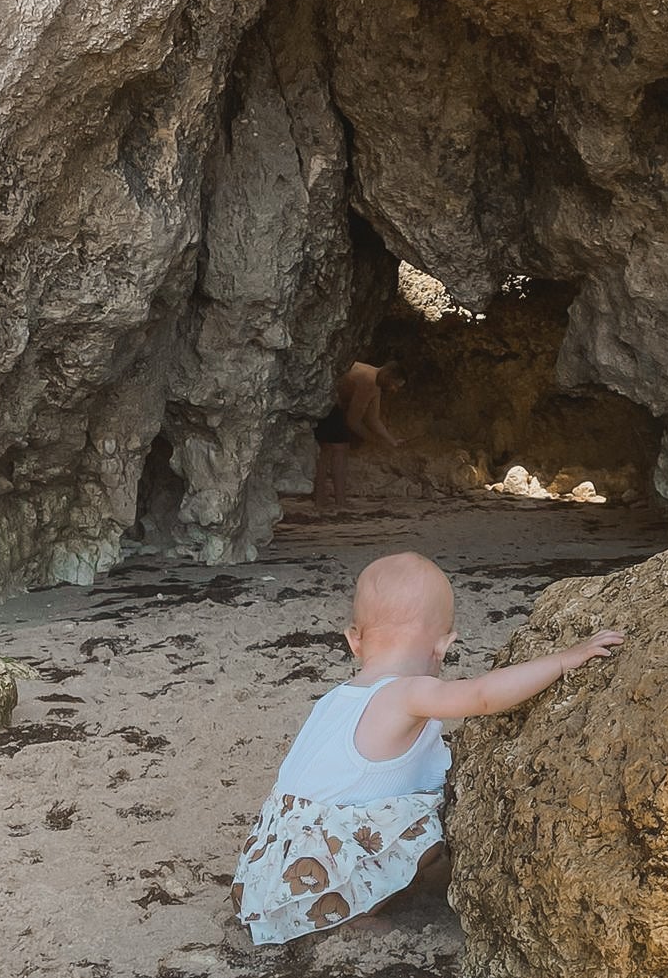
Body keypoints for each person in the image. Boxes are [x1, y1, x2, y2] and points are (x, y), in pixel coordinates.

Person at [231, 552, 622, 944]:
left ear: (354, 640)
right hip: (318, 880)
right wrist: (562, 661)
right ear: (443, 646)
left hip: (269, 873)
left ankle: (324, 910)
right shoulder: (409, 692)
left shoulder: (336, 699)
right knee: (423, 819)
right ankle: (347, 918)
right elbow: (483, 695)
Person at [313, 361, 404, 512]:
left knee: (328, 450)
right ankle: (336, 501)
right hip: (329, 401)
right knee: (336, 449)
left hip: (332, 402)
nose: (394, 390)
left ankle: (322, 499)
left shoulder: (374, 381)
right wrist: (376, 442)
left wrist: (391, 440)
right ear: (388, 375)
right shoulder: (369, 381)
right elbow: (353, 421)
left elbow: (373, 419)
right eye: (394, 385)